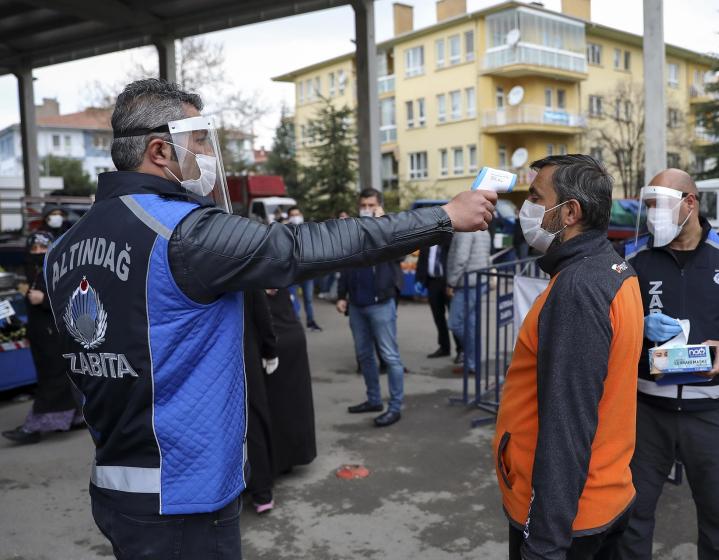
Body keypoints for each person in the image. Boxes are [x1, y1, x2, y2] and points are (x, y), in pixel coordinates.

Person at [43, 78, 496, 559]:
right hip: (184, 494)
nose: (208, 154)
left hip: (116, 485)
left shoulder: (64, 247)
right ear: (159, 150)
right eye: (198, 141)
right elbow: (305, 247)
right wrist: (442, 216)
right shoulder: (182, 232)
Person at [617, 169, 719, 560]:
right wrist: (636, 324)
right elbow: (603, 319)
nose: (652, 213)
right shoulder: (631, 257)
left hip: (714, 415)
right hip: (644, 415)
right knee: (630, 522)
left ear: (690, 203)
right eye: (650, 205)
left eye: (661, 204)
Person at [494, 155, 644, 560]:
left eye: (536, 197)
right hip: (602, 494)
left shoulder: (578, 288)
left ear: (570, 212)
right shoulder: (611, 269)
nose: (527, 208)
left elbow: (567, 425)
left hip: (567, 519)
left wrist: (545, 545)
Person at [336, 189, 408, 428]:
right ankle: (374, 400)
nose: (366, 208)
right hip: (357, 306)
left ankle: (395, 407)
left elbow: (402, 252)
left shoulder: (387, 230)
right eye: (363, 205)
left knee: (390, 356)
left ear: (379, 206)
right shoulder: (354, 230)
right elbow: (346, 264)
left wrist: (385, 222)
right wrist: (341, 295)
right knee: (365, 356)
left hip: (381, 305)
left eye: (371, 205)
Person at [2, 232, 82, 444]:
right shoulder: (36, 272)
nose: (38, 253)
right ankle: (74, 417)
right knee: (61, 381)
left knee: (52, 383)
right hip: (42, 339)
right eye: (34, 249)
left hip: (55, 338)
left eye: (43, 248)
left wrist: (44, 299)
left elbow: (73, 297)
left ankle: (33, 427)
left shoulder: (62, 269)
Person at [265, 288, 317, 474]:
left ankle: (282, 459)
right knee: (289, 403)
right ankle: (288, 457)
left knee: (279, 403)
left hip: (276, 338)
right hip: (286, 332)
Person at [242, 289, 279, 514]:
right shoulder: (245, 266)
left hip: (211, 361)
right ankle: (262, 492)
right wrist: (270, 349)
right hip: (245, 355)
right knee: (254, 423)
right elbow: (261, 315)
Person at [447, 228, 491, 375]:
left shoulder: (465, 231)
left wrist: (451, 283)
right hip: (478, 280)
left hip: (467, 283)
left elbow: (460, 259)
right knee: (471, 324)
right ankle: (472, 363)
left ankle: (471, 358)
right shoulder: (483, 229)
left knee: (455, 323)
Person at [416, 238, 460, 359]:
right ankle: (444, 347)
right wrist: (419, 279)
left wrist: (453, 283)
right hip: (433, 282)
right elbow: (422, 260)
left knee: (454, 317)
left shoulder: (450, 240)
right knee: (438, 317)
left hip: (448, 283)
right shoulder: (427, 241)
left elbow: (456, 259)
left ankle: (461, 350)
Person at [287, 206, 322, 332]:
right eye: (293, 215)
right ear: (289, 217)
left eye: (297, 214)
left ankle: (311, 322)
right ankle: (295, 325)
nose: (296, 217)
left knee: (308, 299)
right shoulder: (286, 231)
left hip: (307, 272)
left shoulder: (308, 229)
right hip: (293, 273)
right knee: (292, 299)